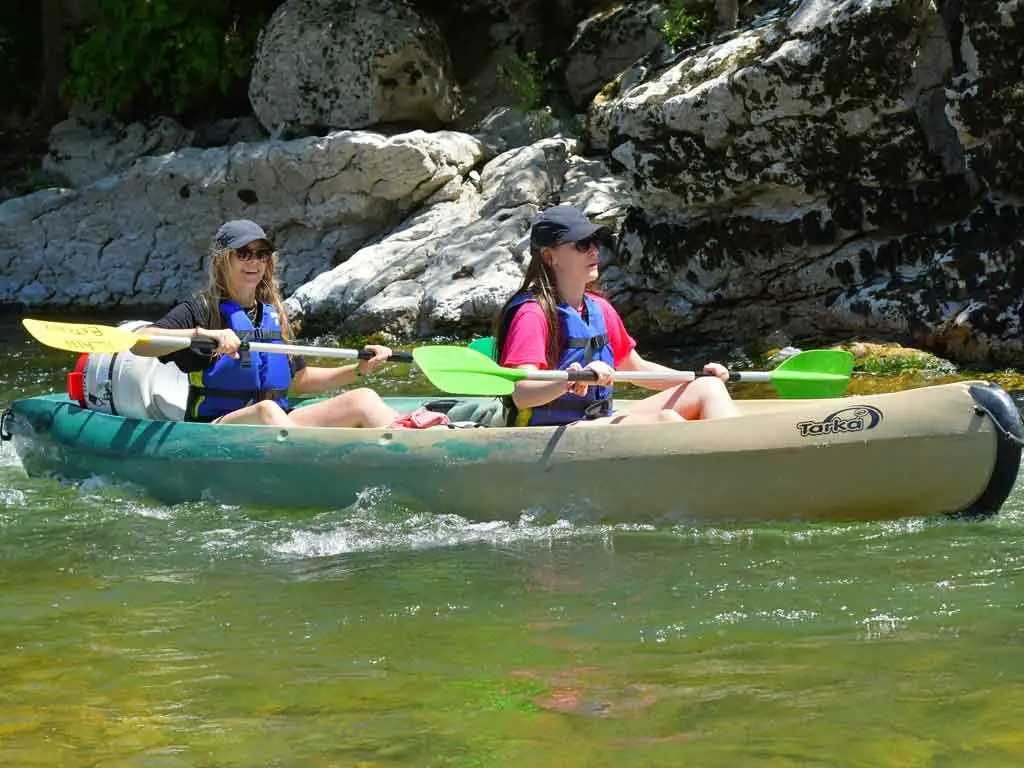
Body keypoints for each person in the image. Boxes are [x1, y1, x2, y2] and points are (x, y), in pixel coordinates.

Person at [134, 219, 442, 428]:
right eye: (243, 254)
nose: (253, 262)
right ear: (222, 260)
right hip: (219, 428)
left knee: (363, 398)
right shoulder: (202, 309)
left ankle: (423, 444)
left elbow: (301, 380)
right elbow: (141, 342)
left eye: (261, 254)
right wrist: (204, 335)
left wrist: (360, 369)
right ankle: (321, 461)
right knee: (266, 411)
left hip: (279, 422)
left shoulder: (272, 313)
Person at [493, 204, 741, 427]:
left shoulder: (599, 308)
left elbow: (638, 368)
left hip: (594, 420)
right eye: (582, 245)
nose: (594, 252)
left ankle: (741, 461)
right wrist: (572, 379)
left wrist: (696, 375)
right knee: (666, 420)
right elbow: (522, 394)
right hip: (548, 433)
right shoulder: (532, 313)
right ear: (550, 256)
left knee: (709, 388)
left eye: (594, 242)